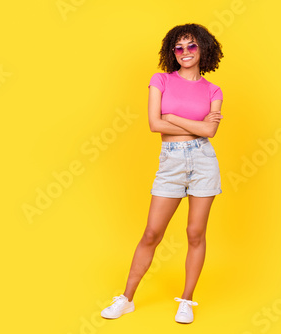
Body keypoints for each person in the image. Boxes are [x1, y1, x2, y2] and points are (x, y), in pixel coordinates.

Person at [101, 23, 224, 324]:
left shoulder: (213, 90)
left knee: (195, 233)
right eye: (178, 47)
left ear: (203, 49)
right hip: (171, 161)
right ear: (172, 52)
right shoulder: (160, 81)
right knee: (152, 233)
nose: (184, 52)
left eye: (191, 46)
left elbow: (211, 131)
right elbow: (154, 124)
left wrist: (172, 117)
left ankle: (186, 300)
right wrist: (191, 124)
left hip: (203, 161)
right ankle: (127, 299)